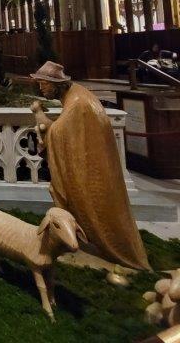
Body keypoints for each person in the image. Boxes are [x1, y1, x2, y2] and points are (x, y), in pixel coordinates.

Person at [30, 61, 150, 270]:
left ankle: (111, 249)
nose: (41, 88)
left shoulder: (78, 104)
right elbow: (62, 130)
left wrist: (40, 115)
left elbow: (58, 133)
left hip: (93, 177)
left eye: (43, 84)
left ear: (55, 84)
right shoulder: (76, 96)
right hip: (93, 168)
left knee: (97, 212)